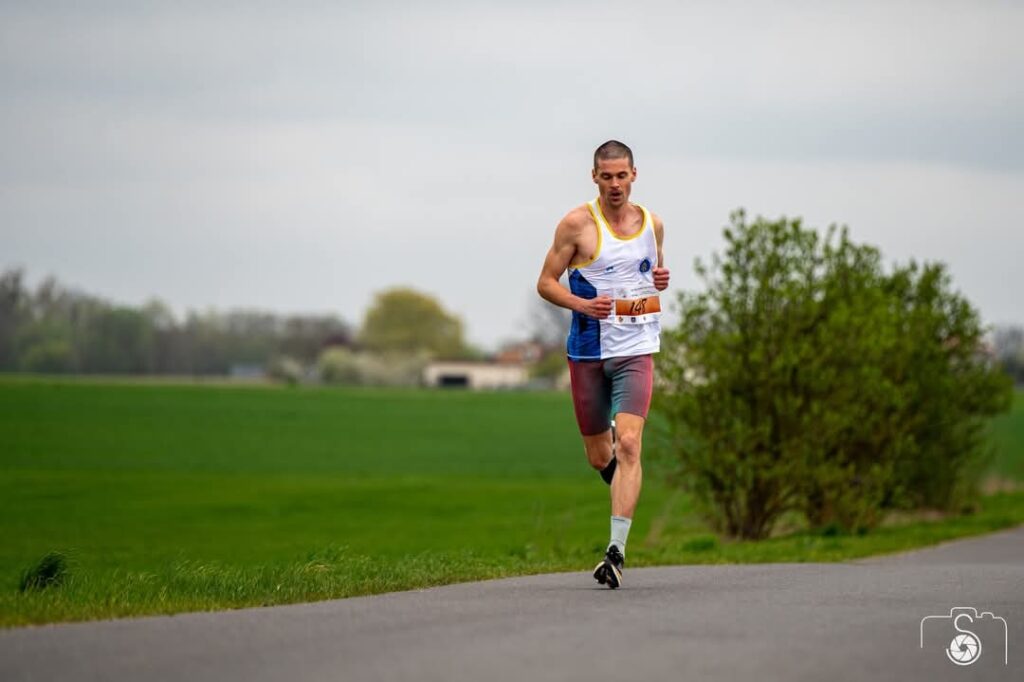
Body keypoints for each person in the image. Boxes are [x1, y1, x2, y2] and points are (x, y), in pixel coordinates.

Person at [536, 140, 669, 589]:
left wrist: (661, 280)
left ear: (634, 175)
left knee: (629, 445)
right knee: (600, 456)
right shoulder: (576, 224)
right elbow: (545, 283)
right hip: (589, 352)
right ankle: (622, 485)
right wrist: (580, 304)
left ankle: (615, 552)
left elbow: (652, 276)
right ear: (594, 177)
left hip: (636, 348)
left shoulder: (653, 224)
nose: (615, 184)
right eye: (606, 176)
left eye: (622, 175)